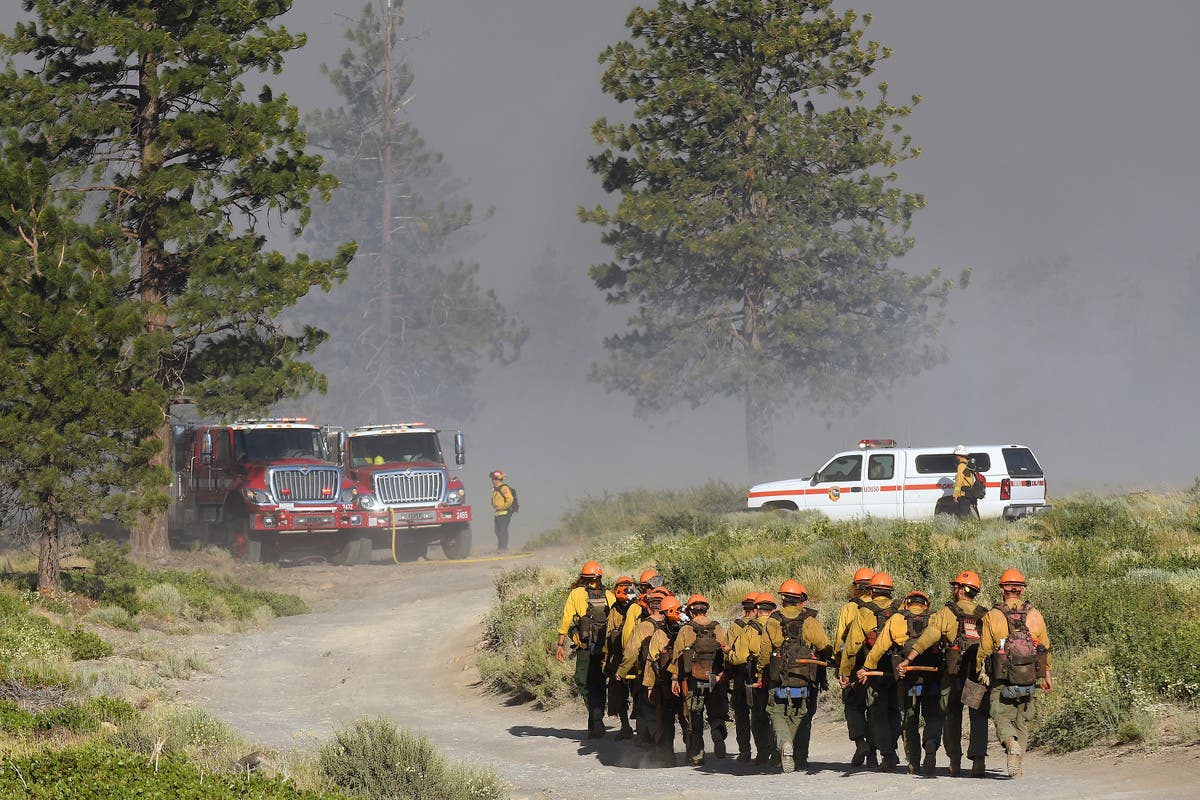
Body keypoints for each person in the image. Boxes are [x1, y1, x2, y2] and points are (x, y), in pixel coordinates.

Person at [895, 570, 991, 777]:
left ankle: (954, 762)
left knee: (951, 716)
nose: (953, 589)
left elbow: (927, 639)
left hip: (953, 675)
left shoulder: (946, 614)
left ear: (960, 590)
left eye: (955, 586)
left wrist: (908, 659)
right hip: (976, 675)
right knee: (977, 716)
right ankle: (978, 762)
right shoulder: (985, 615)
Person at [976, 569, 1052, 778]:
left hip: (1002, 678)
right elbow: (1045, 648)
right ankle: (1017, 765)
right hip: (1028, 678)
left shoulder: (993, 615)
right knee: (1022, 721)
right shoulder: (1035, 615)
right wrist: (1047, 675)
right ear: (1021, 589)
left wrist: (980, 672)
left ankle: (1010, 744)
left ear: (1002, 589)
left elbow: (984, 649)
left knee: (1000, 715)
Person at [860, 589, 945, 776]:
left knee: (909, 720)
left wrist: (866, 668)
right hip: (932, 677)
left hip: (907, 679)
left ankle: (913, 763)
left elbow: (880, 647)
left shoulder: (897, 619)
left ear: (906, 603)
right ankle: (931, 744)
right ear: (926, 605)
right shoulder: (936, 618)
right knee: (933, 716)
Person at [761, 580, 832, 773]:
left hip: (779, 676)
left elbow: (765, 651)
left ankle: (784, 744)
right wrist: (835, 661)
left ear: (782, 599)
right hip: (804, 677)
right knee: (800, 716)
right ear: (801, 599)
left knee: (776, 713)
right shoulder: (810, 620)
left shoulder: (773, 620)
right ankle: (800, 758)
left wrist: (762, 672)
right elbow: (824, 645)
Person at [840, 571, 902, 772]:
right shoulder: (899, 610)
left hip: (868, 670)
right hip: (895, 669)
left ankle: (881, 752)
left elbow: (850, 645)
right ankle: (888, 749)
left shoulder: (861, 611)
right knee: (893, 710)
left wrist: (844, 670)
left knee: (872, 711)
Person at [554, 561, 616, 739]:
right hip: (604, 648)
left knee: (583, 681)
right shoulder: (609, 595)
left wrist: (560, 644)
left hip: (584, 647)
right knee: (599, 682)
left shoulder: (576, 593)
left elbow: (566, 620)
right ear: (600, 577)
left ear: (583, 577)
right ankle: (595, 720)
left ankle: (595, 712)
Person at [670, 594, 730, 765]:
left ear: (690, 611)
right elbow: (726, 654)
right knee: (717, 712)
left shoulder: (685, 630)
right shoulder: (718, 628)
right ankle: (718, 735)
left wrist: (675, 678)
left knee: (695, 715)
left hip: (693, 681)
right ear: (707, 609)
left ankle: (697, 755)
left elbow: (677, 657)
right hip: (714, 679)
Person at [729, 592, 778, 767]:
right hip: (778, 677)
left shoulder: (748, 628)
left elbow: (739, 657)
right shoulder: (778, 625)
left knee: (757, 717)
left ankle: (760, 753)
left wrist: (730, 654)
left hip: (753, 678)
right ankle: (777, 753)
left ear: (756, 609)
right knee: (777, 716)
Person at [834, 566, 877, 766]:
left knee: (853, 706)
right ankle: (875, 755)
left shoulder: (849, 608)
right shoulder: (882, 607)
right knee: (877, 708)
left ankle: (861, 744)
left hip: (853, 665)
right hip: (876, 665)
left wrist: (840, 667)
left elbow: (839, 642)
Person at [726, 591, 759, 762]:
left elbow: (730, 654)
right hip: (758, 676)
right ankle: (765, 751)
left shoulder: (735, 626)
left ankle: (745, 751)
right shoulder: (763, 625)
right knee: (760, 714)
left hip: (740, 677)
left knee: (741, 715)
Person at [604, 576, 637, 740]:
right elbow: (608, 639)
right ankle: (626, 726)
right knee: (620, 694)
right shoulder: (614, 611)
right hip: (619, 659)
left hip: (634, 659)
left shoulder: (638, 608)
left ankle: (641, 728)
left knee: (638, 694)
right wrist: (607, 662)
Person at [489, 469, 515, 552]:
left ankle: (503, 548)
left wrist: (504, 506)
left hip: (504, 513)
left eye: (494, 479)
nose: (492, 481)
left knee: (503, 530)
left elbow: (510, 499)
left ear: (497, 479)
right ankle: (500, 547)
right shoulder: (495, 489)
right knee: (498, 531)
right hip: (498, 513)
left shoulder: (503, 488)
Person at [952, 446, 979, 519]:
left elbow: (959, 481)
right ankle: (977, 526)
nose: (955, 457)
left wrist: (956, 495)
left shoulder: (961, 466)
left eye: (956, 455)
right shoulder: (968, 464)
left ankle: (969, 527)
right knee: (973, 513)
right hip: (971, 493)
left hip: (964, 494)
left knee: (964, 515)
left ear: (958, 456)